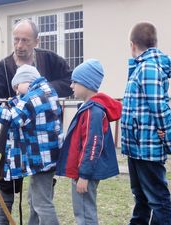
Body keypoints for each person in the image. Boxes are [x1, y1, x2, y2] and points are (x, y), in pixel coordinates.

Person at [0, 19, 72, 224]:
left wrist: (41, 92)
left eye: (25, 40)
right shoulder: (4, 66)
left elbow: (69, 81)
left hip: (42, 142)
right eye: (16, 40)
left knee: (40, 192)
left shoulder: (49, 60)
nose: (20, 45)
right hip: (14, 138)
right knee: (7, 184)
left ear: (36, 41)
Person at [0, 64, 63, 225]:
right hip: (45, 159)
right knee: (35, 200)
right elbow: (25, 111)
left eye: (17, 87)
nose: (16, 91)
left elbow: (14, 118)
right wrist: (12, 102)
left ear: (26, 80)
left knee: (42, 204)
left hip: (43, 160)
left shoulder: (34, 96)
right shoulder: (45, 92)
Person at [121, 22, 171, 225]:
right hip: (136, 147)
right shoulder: (140, 67)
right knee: (141, 195)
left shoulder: (148, 67)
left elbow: (158, 107)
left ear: (132, 44)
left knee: (158, 198)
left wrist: (170, 140)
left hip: (147, 147)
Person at [56, 59, 121, 225]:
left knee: (84, 213)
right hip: (83, 171)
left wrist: (84, 175)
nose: (71, 86)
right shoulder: (88, 107)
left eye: (75, 82)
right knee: (83, 210)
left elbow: (93, 144)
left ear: (86, 84)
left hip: (85, 173)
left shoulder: (94, 111)